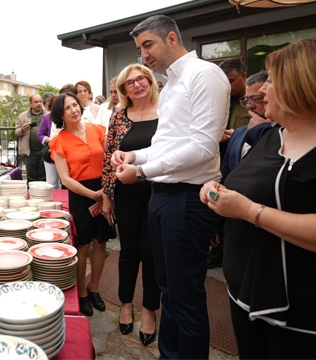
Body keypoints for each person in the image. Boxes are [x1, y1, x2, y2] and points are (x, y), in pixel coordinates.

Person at [200, 37, 316, 359]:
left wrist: (249, 211)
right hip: (245, 296)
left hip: (307, 320)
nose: (263, 90)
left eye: (273, 80)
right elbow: (240, 184)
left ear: (305, 85)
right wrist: (215, 190)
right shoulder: (272, 135)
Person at [111, 15, 229, 359]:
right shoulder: (173, 84)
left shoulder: (203, 74)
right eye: (139, 49)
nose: (144, 55)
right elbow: (168, 145)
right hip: (162, 199)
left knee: (186, 295)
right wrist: (133, 155)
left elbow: (203, 147)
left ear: (172, 38)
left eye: (148, 44)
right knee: (168, 291)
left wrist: (143, 171)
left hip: (185, 200)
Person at [102, 64, 161, 346]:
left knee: (151, 254)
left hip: (159, 192)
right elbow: (108, 157)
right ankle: (126, 304)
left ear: (150, 81)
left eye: (141, 79)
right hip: (126, 193)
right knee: (128, 252)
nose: (137, 85)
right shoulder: (118, 116)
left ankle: (149, 309)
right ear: (123, 90)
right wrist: (106, 195)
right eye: (129, 83)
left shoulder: (167, 113)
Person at [49, 92, 116, 317]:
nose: (74, 110)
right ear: (60, 114)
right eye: (67, 108)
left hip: (103, 189)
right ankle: (82, 294)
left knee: (101, 242)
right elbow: (66, 179)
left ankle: (94, 288)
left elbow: (110, 158)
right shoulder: (58, 141)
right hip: (80, 194)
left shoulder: (97, 130)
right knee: (83, 245)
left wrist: (104, 191)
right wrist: (93, 194)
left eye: (75, 105)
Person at [208, 71, 272, 270]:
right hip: (235, 231)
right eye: (247, 100)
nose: (251, 105)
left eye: (258, 99)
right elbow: (226, 177)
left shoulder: (285, 137)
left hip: (268, 229)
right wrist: (218, 225)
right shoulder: (238, 134)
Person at [38, 85, 77, 189]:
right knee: (52, 183)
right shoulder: (47, 118)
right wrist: (49, 140)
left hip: (71, 156)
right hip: (52, 154)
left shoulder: (83, 116)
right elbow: (40, 135)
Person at [16, 94, 46, 183]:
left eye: (40, 101)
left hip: (44, 150)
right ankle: (32, 195)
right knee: (31, 178)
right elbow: (16, 132)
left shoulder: (48, 115)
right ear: (30, 103)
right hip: (29, 152)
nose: (39, 104)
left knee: (43, 178)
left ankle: (42, 196)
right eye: (36, 102)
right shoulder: (23, 116)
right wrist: (22, 129)